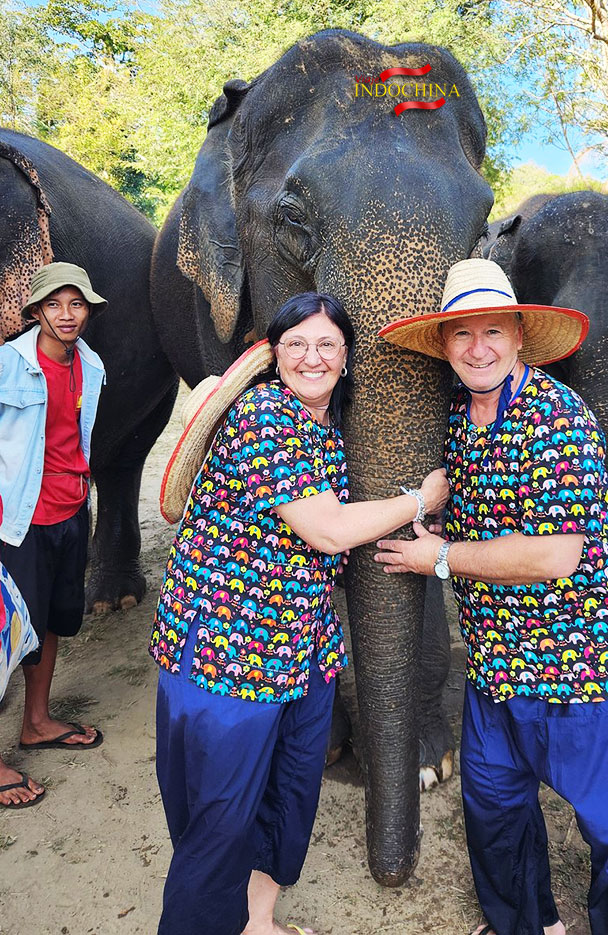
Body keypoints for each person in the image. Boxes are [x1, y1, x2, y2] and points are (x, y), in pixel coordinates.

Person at [375, 259, 608, 935]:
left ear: (518, 337)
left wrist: (440, 557)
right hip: (501, 661)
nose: (478, 347)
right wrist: (438, 524)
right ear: (445, 345)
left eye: (493, 331)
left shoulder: (557, 416)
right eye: (463, 334)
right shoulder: (454, 415)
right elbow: (490, 510)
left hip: (590, 662)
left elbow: (555, 552)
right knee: (494, 809)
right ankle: (525, 925)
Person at [151, 292, 449, 935]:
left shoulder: (326, 428)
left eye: (327, 346)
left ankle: (255, 921)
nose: (312, 358)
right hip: (228, 655)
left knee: (285, 798)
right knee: (222, 818)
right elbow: (329, 531)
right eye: (297, 345)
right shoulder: (265, 416)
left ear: (346, 359)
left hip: (302, 650)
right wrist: (419, 498)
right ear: (273, 354)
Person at [0, 262, 106, 810]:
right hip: (17, 520)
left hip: (69, 511)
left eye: (77, 305)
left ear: (88, 311)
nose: (66, 316)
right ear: (37, 311)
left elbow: (76, 440)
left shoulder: (91, 364)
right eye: (55, 305)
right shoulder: (7, 364)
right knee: (5, 633)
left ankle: (37, 722)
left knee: (53, 620)